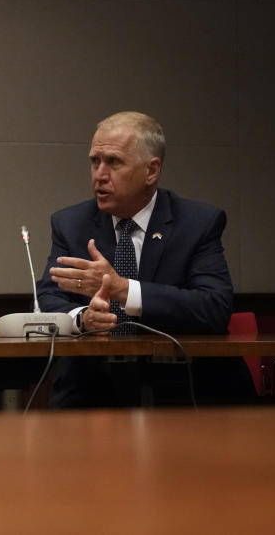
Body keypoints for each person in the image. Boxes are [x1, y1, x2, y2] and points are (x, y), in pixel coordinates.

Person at [37, 111, 254, 407]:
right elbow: (49, 296)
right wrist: (83, 319)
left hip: (186, 386)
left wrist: (124, 290)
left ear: (151, 171)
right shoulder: (71, 223)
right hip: (93, 388)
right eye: (94, 161)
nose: (100, 174)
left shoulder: (197, 222)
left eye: (114, 162)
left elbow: (214, 308)